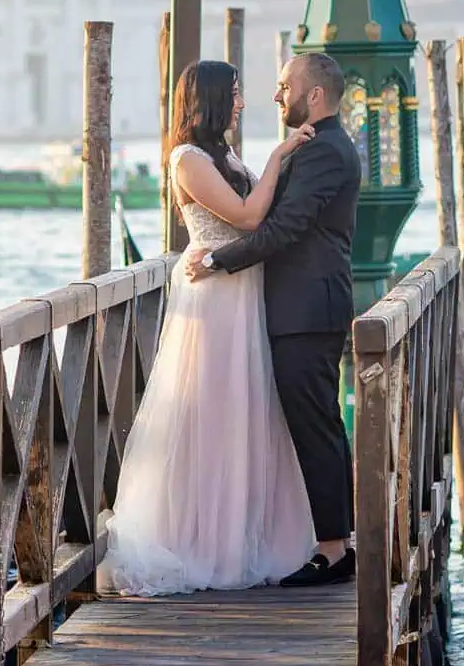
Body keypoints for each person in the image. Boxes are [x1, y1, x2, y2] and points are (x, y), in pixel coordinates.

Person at [100, 60, 319, 596]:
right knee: (210, 411)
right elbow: (246, 217)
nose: (243, 103)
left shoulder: (223, 154)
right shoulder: (188, 160)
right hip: (213, 296)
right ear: (215, 99)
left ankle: (243, 534)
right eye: (237, 94)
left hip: (241, 289)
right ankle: (199, 541)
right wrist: (279, 154)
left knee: (245, 411)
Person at [185, 52, 363, 588]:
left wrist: (217, 261)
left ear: (314, 95)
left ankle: (335, 550)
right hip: (295, 306)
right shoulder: (315, 147)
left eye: (284, 85)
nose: (276, 95)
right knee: (311, 424)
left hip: (307, 309)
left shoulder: (326, 152)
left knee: (316, 426)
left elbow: (283, 228)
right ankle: (329, 541)